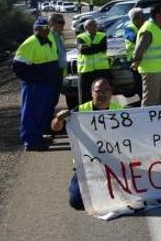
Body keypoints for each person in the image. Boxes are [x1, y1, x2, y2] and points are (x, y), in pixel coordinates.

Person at [50, 77, 122, 210]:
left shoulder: (120, 111)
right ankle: (77, 182)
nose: (103, 94)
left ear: (111, 92)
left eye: (106, 90)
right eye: (98, 90)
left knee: (129, 194)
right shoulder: (80, 111)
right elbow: (55, 128)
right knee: (76, 202)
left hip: (113, 164)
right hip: (87, 165)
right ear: (92, 93)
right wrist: (58, 118)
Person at [12, 17, 61, 151]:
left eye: (47, 28)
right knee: (31, 114)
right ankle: (30, 141)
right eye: (42, 28)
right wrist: (34, 79)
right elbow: (17, 67)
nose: (46, 30)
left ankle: (38, 137)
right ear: (36, 29)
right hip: (34, 86)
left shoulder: (49, 41)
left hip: (47, 85)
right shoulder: (30, 43)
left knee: (43, 114)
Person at [132, 4, 161, 106]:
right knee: (150, 100)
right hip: (150, 71)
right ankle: (146, 121)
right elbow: (138, 52)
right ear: (157, 15)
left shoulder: (158, 27)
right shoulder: (148, 29)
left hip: (160, 69)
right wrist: (136, 62)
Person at [76, 19, 110, 104]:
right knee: (85, 96)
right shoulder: (80, 37)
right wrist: (97, 47)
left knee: (102, 94)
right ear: (86, 27)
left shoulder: (102, 35)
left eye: (96, 25)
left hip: (101, 70)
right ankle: (85, 113)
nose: (95, 27)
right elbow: (83, 51)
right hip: (86, 70)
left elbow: (103, 47)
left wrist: (89, 47)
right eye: (93, 25)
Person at [47, 13, 67, 118]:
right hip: (52, 73)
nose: (62, 25)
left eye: (63, 22)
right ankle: (46, 124)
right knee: (49, 100)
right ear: (52, 23)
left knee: (54, 100)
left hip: (58, 72)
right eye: (60, 22)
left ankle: (49, 122)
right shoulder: (50, 36)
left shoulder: (58, 36)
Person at [125, 8, 146, 97]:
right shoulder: (129, 28)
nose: (143, 19)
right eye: (141, 16)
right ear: (134, 19)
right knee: (139, 83)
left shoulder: (144, 26)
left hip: (146, 59)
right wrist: (145, 35)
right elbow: (132, 38)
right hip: (135, 60)